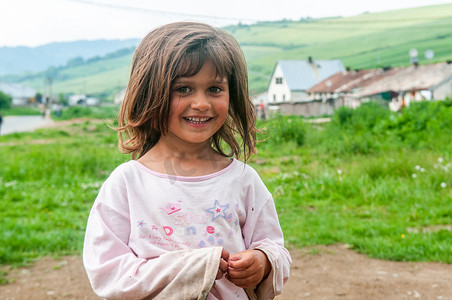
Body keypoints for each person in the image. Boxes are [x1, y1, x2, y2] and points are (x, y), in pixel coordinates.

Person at [83, 21, 291, 300]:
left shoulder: (242, 180)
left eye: (215, 89)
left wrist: (263, 262)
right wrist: (197, 267)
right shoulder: (128, 183)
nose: (202, 103)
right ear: (150, 93)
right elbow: (108, 272)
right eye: (183, 89)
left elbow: (274, 247)